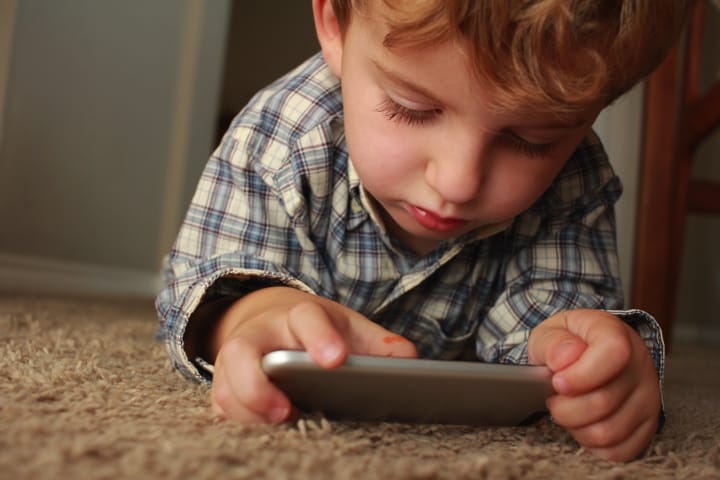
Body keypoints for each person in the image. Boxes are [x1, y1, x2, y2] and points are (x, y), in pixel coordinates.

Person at [156, 0, 694, 462]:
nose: (458, 182)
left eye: (531, 140)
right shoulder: (281, 136)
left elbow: (552, 306)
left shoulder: (575, 175)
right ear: (335, 27)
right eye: (414, 109)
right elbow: (204, 280)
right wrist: (250, 314)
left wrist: (580, 356)